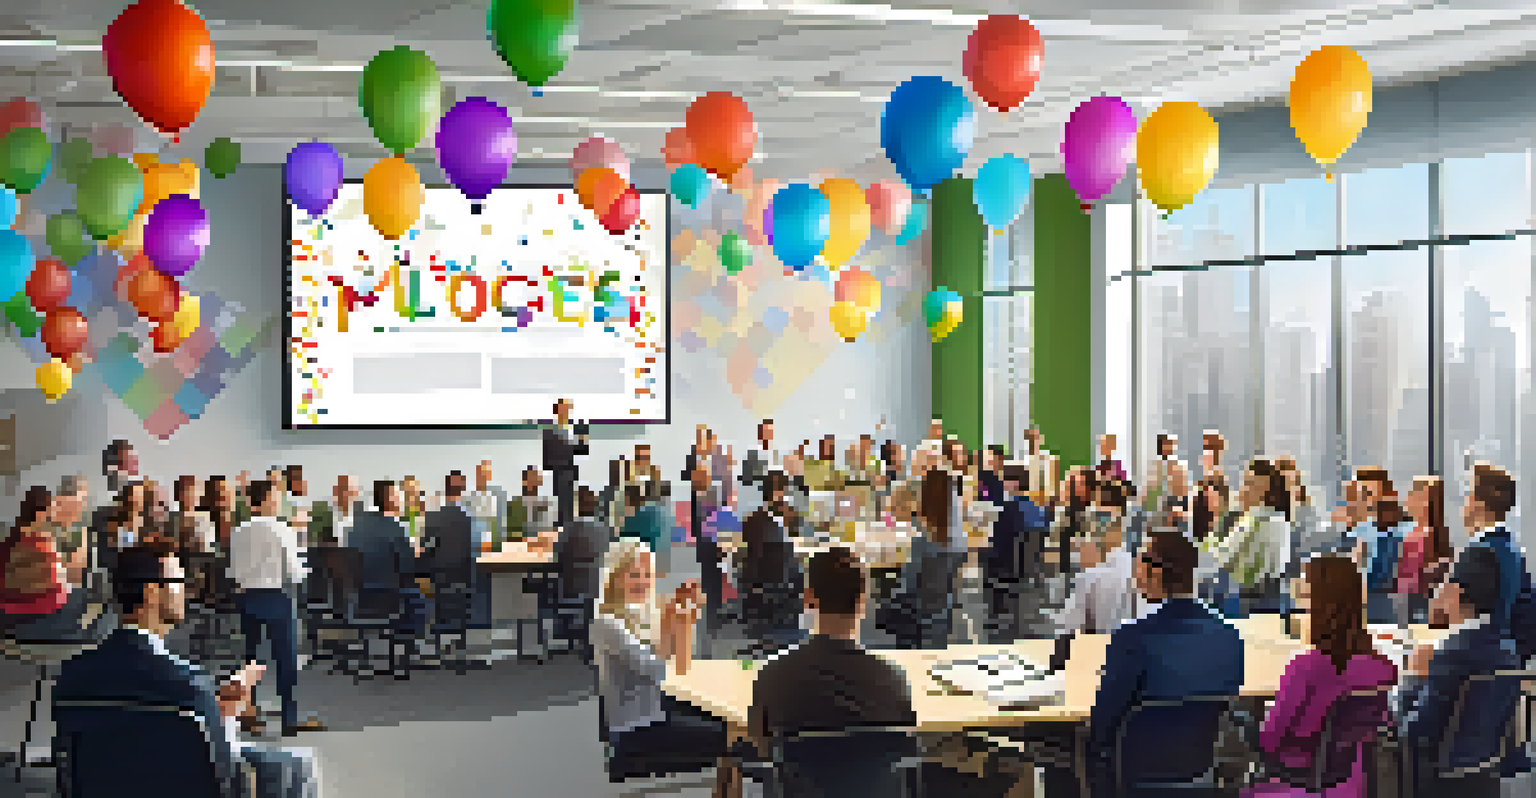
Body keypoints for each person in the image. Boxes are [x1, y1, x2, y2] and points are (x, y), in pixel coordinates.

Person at [53, 543, 323, 798]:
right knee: (299, 765)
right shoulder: (189, 684)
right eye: (179, 583)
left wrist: (216, 708)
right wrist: (226, 717)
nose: (187, 592)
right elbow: (222, 767)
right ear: (150, 592)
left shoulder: (71, 675)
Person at [1083, 529, 1245, 797]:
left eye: (1139, 563)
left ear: (1155, 573)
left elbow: (1103, 725)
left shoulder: (1133, 638)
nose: (1135, 574)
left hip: (1132, 775)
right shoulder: (1229, 636)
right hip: (1198, 773)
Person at [590, 540, 741, 798]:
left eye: (647, 575)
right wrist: (680, 619)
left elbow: (671, 660)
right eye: (634, 575)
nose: (643, 582)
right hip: (636, 729)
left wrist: (676, 616)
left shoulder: (633, 615)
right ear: (615, 578)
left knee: (730, 724)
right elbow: (666, 670)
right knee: (734, 739)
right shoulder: (607, 624)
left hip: (651, 712)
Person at [1248, 555, 1397, 798]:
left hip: (1297, 768)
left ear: (1318, 604)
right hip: (1351, 773)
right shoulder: (1383, 667)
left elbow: (1270, 740)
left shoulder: (1306, 666)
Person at [745, 547, 916, 757]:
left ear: (808, 598)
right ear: (863, 600)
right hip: (872, 788)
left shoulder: (772, 676)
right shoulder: (892, 680)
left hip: (796, 789)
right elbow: (905, 748)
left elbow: (761, 748)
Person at [1400, 545, 1521, 797]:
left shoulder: (1451, 653)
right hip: (1486, 775)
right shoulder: (1508, 649)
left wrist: (1411, 680)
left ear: (1455, 591)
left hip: (1437, 780)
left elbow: (1415, 732)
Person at [229, 480, 325, 736]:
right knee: (285, 660)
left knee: (250, 660)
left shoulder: (238, 531)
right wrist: (307, 565)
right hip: (276, 597)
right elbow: (294, 573)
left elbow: (234, 572)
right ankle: (288, 718)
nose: (279, 501)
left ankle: (249, 715)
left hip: (247, 597)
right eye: (276, 496)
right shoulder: (281, 529)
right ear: (268, 500)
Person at [2, 486, 115, 643]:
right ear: (41, 512)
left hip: (13, 606)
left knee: (88, 595)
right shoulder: (39, 539)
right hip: (33, 609)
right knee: (95, 602)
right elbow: (57, 582)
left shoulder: (13, 537)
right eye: (52, 509)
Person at [1453, 462, 1536, 662]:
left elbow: (1455, 621)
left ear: (1476, 504)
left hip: (1474, 663)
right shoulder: (1513, 550)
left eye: (1467, 496)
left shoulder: (1478, 552)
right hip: (1505, 663)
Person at [350, 481, 428, 641]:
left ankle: (389, 644)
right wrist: (417, 551)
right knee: (422, 597)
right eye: (399, 496)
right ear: (390, 499)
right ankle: (413, 646)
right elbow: (408, 567)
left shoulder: (356, 527)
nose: (401, 501)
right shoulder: (396, 527)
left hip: (359, 598)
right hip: (389, 597)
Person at [1396, 477, 1451, 626]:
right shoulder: (1413, 531)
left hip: (1414, 604)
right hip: (1409, 602)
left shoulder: (1424, 535)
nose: (1407, 499)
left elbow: (1413, 577)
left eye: (1413, 494)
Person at [558, 486, 612, 602]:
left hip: (570, 590)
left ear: (577, 505)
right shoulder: (606, 531)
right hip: (597, 590)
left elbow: (557, 555)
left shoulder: (568, 530)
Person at [421, 472, 474, 586]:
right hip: (462, 576)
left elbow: (424, 548)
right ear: (461, 491)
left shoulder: (433, 517)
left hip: (440, 577)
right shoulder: (467, 520)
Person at [543, 397, 590, 527]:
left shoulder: (575, 429)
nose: (565, 411)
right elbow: (547, 457)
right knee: (561, 505)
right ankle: (562, 526)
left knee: (570, 504)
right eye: (562, 409)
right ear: (556, 411)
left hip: (571, 473)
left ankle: (569, 527)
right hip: (558, 472)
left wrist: (583, 437)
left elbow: (582, 450)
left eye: (567, 409)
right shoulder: (549, 431)